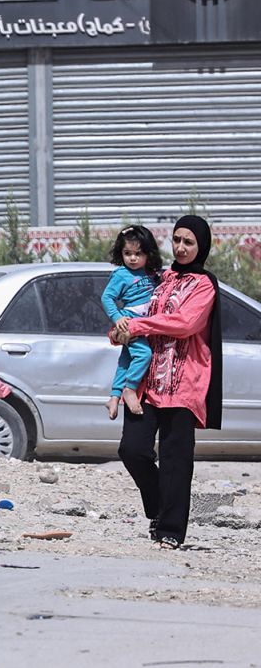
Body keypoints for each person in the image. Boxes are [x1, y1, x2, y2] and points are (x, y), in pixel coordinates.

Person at [114, 215, 222, 550]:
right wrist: (120, 330)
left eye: (189, 242)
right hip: (148, 383)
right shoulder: (159, 278)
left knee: (177, 461)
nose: (181, 247)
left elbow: (185, 323)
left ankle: (171, 529)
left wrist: (141, 326)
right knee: (132, 450)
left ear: (201, 245)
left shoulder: (205, 285)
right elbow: (135, 311)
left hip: (184, 384)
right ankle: (160, 505)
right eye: (177, 240)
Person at [103, 225, 162, 421]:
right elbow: (107, 298)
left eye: (138, 253)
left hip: (143, 323)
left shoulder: (151, 273)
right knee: (144, 354)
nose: (133, 258)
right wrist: (117, 318)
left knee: (126, 360)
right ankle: (130, 389)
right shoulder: (121, 274)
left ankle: (114, 397)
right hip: (130, 322)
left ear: (148, 253)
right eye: (127, 253)